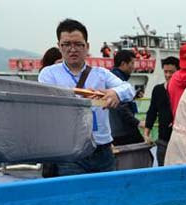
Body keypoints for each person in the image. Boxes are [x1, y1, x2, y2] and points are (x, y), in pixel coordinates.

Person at [38, 18, 135, 176]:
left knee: (106, 195)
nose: (72, 49)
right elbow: (50, 104)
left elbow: (128, 88)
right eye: (66, 44)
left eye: (78, 44)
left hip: (102, 150)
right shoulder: (49, 74)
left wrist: (115, 93)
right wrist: (91, 97)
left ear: (87, 47)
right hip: (69, 151)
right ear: (59, 46)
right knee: (75, 196)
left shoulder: (101, 74)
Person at [145, 56, 179, 165]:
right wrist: (147, 133)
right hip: (163, 140)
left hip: (180, 141)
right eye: (166, 72)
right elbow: (152, 112)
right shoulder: (158, 90)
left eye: (171, 72)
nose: (168, 75)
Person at [109, 49, 143, 146]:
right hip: (123, 131)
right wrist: (137, 123)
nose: (133, 67)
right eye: (132, 63)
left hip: (115, 129)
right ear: (123, 64)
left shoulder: (112, 77)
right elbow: (122, 107)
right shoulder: (117, 81)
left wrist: (134, 96)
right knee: (141, 154)